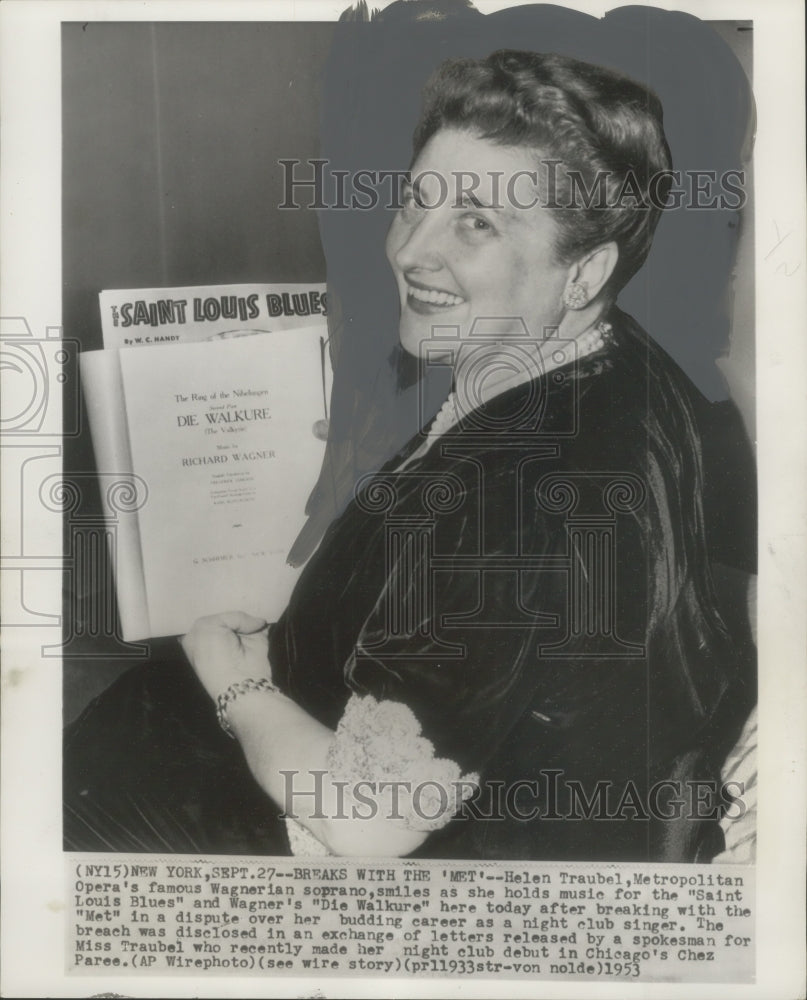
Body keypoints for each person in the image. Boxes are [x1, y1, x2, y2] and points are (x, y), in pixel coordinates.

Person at [64, 49, 748, 861]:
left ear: (585, 270)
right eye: (414, 203)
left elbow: (367, 822)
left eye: (476, 222)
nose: (410, 252)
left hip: (436, 876)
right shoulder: (614, 363)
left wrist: (230, 679)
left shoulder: (526, 490)